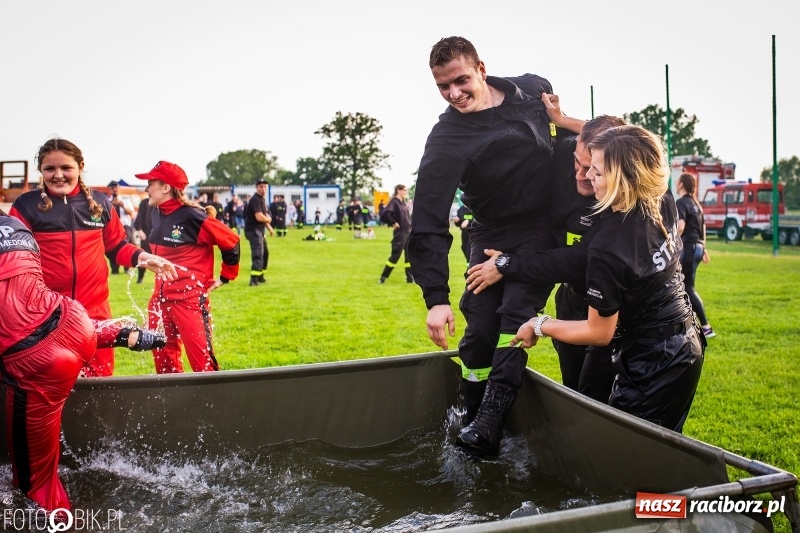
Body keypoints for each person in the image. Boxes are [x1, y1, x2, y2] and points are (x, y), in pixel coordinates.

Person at [408, 36, 558, 456]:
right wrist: (436, 299)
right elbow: (427, 220)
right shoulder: (446, 139)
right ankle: (472, 409)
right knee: (479, 332)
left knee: (515, 314)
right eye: (442, 87)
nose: (454, 94)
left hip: (540, 230)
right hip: (489, 233)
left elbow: (562, 127)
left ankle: (490, 420)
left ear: (481, 69)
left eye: (461, 81)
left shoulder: (530, 89)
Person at [510, 125, 706, 433]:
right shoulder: (660, 199)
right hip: (686, 345)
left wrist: (538, 324)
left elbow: (598, 332)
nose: (588, 177)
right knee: (657, 455)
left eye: (597, 172)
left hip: (654, 363)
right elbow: (635, 140)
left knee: (624, 460)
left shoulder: (608, 247)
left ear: (624, 178)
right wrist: (561, 119)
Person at [0, 210, 165, 517]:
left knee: (34, 484)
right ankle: (122, 333)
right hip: (75, 320)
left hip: (37, 359)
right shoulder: (13, 224)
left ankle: (60, 522)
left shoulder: (25, 211)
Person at [466, 113, 625, 403]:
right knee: (575, 390)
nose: (581, 175)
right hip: (571, 297)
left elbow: (577, 260)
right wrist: (563, 119)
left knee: (598, 398)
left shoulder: (624, 214)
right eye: (577, 163)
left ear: (619, 168)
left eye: (592, 170)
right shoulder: (568, 151)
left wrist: (508, 264)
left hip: (615, 311)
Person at [9, 138, 177, 377]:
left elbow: (117, 246)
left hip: (95, 313)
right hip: (45, 314)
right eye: (50, 169)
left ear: (80, 166)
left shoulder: (99, 202)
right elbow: (13, 257)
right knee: (50, 385)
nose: (58, 175)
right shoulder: (26, 205)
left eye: (66, 168)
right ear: (41, 171)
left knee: (100, 386)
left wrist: (141, 256)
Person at [135, 161, 241, 374]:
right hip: (159, 299)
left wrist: (225, 276)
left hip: (189, 300)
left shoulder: (193, 217)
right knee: (164, 363)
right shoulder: (155, 212)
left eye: (150, 183)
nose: (146, 189)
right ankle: (174, 404)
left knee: (202, 365)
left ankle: (212, 405)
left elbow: (231, 240)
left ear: (166, 187)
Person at [676, 173, 715, 338]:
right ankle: (687, 322)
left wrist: (671, 242)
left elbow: (680, 227)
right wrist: (704, 248)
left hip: (690, 248)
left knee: (687, 287)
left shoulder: (681, 202)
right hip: (698, 247)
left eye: (678, 181)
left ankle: (706, 327)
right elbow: (703, 228)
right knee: (684, 285)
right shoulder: (696, 204)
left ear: (682, 184)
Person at [379, 184, 413, 284]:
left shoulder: (402, 203)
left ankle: (410, 279)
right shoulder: (394, 202)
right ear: (399, 190)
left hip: (408, 232)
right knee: (395, 256)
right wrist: (393, 222)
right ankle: (383, 277)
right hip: (400, 233)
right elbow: (385, 214)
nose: (406, 192)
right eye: (404, 190)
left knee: (409, 256)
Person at [244, 179, 273, 286]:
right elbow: (260, 217)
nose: (263, 189)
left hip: (260, 230)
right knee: (258, 253)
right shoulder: (255, 199)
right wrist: (269, 220)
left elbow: (263, 216)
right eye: (261, 187)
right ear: (256, 188)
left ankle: (260, 276)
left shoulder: (262, 200)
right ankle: (253, 280)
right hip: (253, 230)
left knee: (265, 253)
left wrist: (269, 228)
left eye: (265, 187)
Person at [107, 180, 135, 274]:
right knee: (111, 247)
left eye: (116, 188)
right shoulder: (106, 201)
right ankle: (115, 269)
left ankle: (127, 268)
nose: (115, 190)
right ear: (109, 190)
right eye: (113, 188)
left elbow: (131, 213)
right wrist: (112, 205)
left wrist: (122, 206)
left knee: (126, 246)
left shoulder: (125, 199)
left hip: (124, 226)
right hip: (112, 228)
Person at [133, 194, 155, 284]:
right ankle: (140, 278)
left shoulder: (162, 204)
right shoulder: (144, 203)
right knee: (143, 257)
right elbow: (139, 219)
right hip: (146, 234)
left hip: (159, 236)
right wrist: (140, 230)